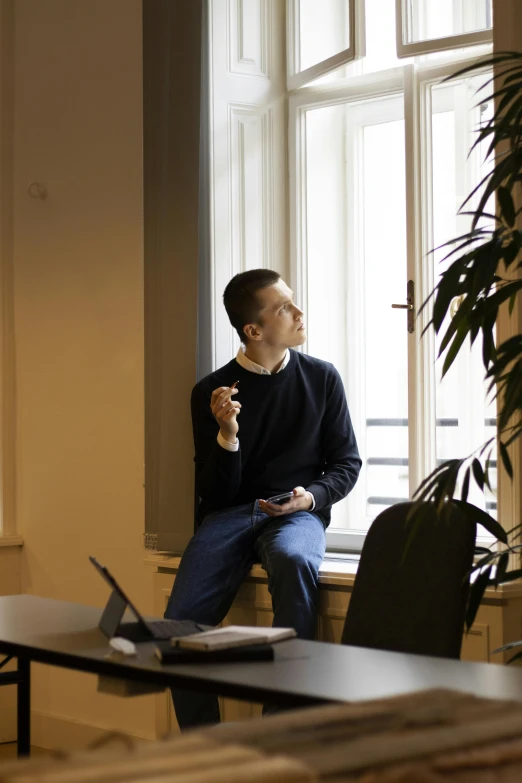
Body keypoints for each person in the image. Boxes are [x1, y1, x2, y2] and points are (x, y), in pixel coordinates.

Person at [165, 268, 361, 728]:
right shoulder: (210, 393)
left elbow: (346, 464)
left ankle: (279, 730)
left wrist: (309, 498)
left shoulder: (323, 379)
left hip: (296, 514)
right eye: (284, 308)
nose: (299, 312)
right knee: (176, 628)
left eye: (293, 302)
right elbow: (214, 493)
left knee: (294, 561)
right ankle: (207, 750)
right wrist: (228, 436)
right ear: (253, 330)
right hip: (229, 515)